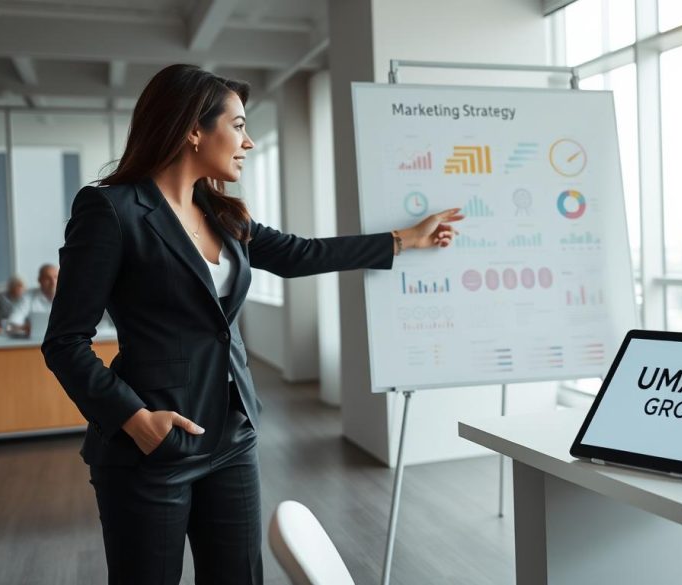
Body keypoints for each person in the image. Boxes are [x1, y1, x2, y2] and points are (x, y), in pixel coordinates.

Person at [41, 64, 463, 585]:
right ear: (194, 129)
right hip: (153, 448)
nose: (249, 141)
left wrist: (405, 239)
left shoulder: (222, 214)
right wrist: (135, 419)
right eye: (238, 125)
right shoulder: (111, 209)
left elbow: (300, 253)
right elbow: (65, 342)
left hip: (233, 435)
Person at [8, 264, 58, 334]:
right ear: (39, 280)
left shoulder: (69, 296)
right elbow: (13, 321)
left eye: (56, 277)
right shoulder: (27, 297)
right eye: (47, 278)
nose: (53, 282)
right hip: (35, 341)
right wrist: (25, 328)